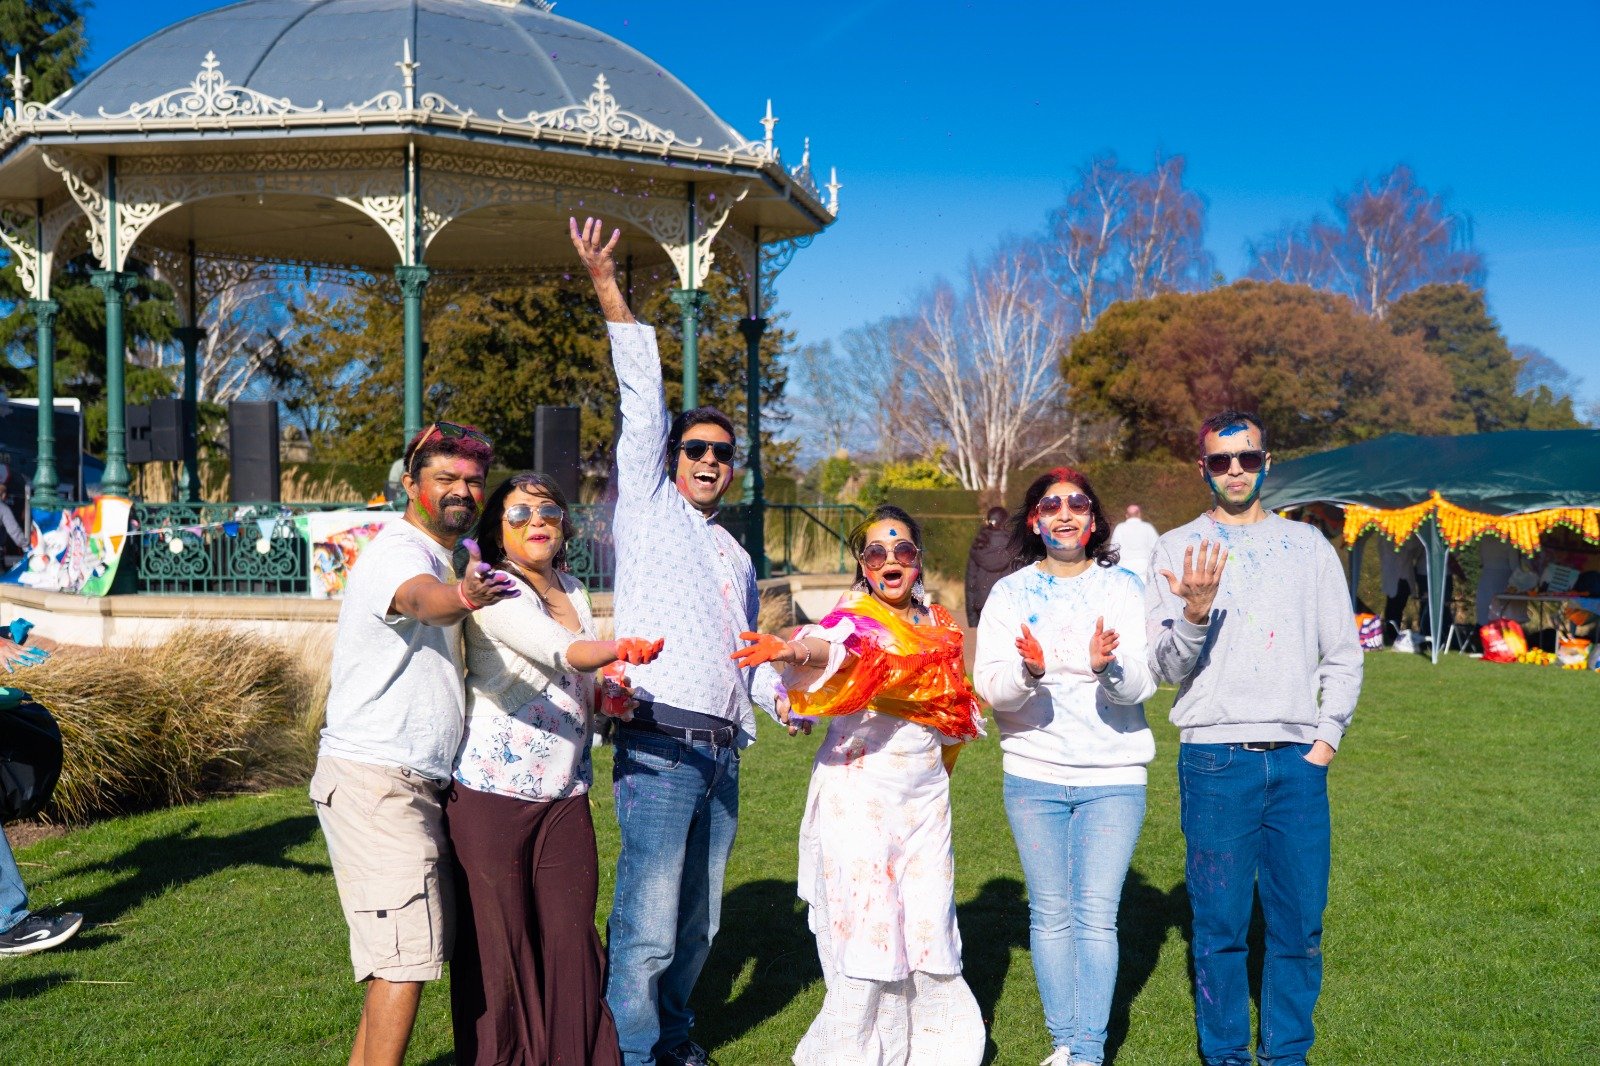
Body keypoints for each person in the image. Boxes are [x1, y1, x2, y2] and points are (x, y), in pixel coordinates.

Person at [570, 217, 789, 1066]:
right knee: (650, 925)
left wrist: (790, 697)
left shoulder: (734, 551)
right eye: (695, 448)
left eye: (723, 453)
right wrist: (607, 286)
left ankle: (674, 1039)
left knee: (699, 926)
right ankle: (630, 1052)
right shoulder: (651, 508)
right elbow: (641, 395)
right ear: (671, 457)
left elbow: (746, 654)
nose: (709, 460)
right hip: (659, 747)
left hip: (724, 751)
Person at [733, 504, 986, 1066]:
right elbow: (838, 650)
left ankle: (936, 1051)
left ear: (918, 561)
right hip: (860, 796)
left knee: (925, 921)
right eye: (876, 552)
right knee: (871, 928)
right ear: (863, 565)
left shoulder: (940, 626)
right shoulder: (854, 618)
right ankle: (855, 1054)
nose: (890, 561)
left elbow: (955, 711)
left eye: (903, 551)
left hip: (924, 800)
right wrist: (793, 650)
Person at [1147, 410, 1362, 1066]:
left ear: (1267, 461)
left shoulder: (1308, 547)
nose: (1234, 470)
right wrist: (1193, 612)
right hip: (1214, 762)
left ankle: (1287, 1055)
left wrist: (1324, 739)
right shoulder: (1175, 548)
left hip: (1299, 766)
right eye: (1220, 461)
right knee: (1218, 931)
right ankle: (1227, 1057)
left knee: (1299, 927)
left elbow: (1344, 653)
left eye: (1246, 458)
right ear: (1203, 468)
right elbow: (1162, 668)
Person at [310, 422, 517, 1066]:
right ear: (410, 484)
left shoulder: (443, 553)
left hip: (412, 783)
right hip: (379, 782)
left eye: (473, 481)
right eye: (445, 479)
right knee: (405, 960)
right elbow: (420, 602)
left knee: (396, 960)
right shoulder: (398, 553)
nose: (462, 490)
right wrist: (460, 595)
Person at [447, 472, 666, 1066]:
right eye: (518, 514)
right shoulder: (495, 590)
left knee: (572, 940)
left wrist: (608, 693)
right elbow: (560, 651)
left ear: (564, 525)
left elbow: (580, 678)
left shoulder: (574, 587)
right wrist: (618, 649)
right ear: (497, 531)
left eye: (548, 511)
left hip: (565, 792)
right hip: (492, 794)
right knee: (505, 948)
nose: (536, 521)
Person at [973, 469, 1156, 1066]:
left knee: (1096, 918)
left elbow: (1141, 685)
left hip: (1113, 777)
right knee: (1051, 915)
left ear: (1094, 518)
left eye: (1077, 503)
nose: (1064, 513)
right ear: (1033, 520)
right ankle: (1065, 1044)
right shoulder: (1010, 594)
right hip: (1034, 774)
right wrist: (1029, 672)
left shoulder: (1124, 588)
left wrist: (1108, 667)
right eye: (1050, 506)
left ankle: (1088, 1051)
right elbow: (992, 689)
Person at [965, 505, 1015, 626]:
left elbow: (970, 583)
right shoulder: (1015, 545)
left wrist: (972, 619)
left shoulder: (979, 544)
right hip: (1008, 607)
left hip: (982, 606)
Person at [1109, 503, 1159, 580]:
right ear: (1139, 514)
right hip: (1144, 566)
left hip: (1124, 567)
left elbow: (1113, 549)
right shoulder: (1148, 527)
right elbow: (1157, 547)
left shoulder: (1120, 527)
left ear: (1126, 515)